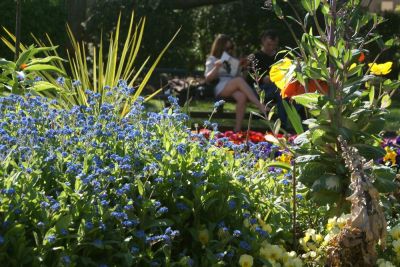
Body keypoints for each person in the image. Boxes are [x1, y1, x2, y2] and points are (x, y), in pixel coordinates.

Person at [205, 34, 267, 132]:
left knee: (242, 96)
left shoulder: (232, 60)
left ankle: (237, 129)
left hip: (234, 84)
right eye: (227, 48)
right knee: (238, 81)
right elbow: (207, 78)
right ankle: (259, 105)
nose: (230, 50)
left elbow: (241, 78)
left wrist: (244, 68)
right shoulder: (212, 58)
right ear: (220, 47)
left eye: (231, 48)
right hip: (220, 86)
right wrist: (216, 67)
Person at [247, 29, 288, 128]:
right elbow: (248, 78)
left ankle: (282, 124)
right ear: (263, 41)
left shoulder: (280, 57)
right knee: (281, 92)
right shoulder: (255, 57)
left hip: (277, 87)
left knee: (283, 92)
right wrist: (261, 79)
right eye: (269, 44)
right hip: (261, 90)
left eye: (274, 45)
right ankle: (282, 125)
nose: (272, 47)